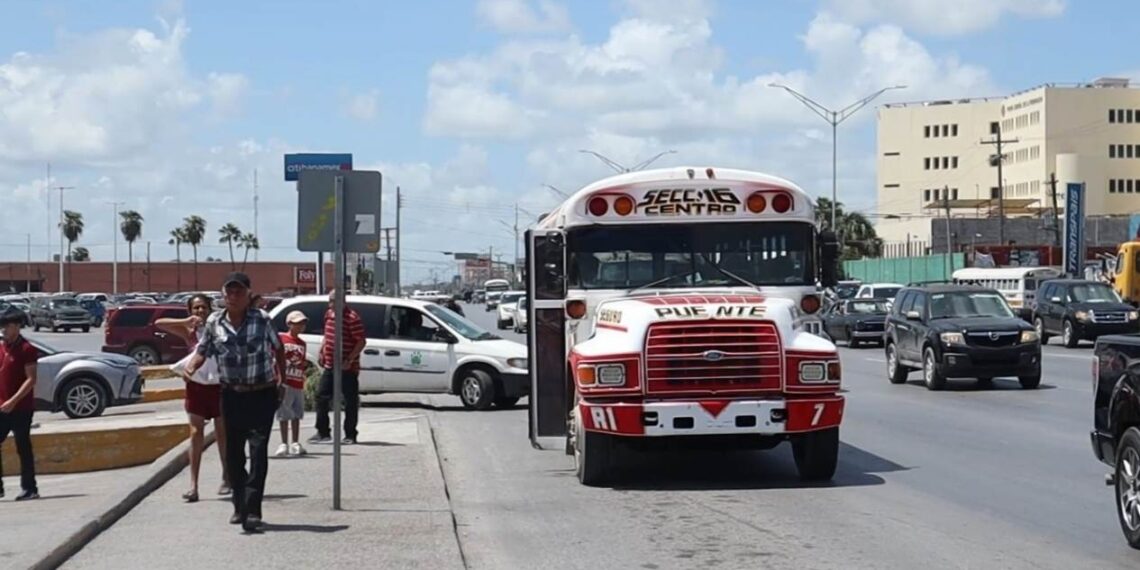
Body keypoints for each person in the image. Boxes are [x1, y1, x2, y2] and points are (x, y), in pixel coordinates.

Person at [184, 272, 285, 532]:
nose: (233, 296)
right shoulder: (214, 322)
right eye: (229, 291)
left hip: (261, 393)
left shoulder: (262, 320)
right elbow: (203, 350)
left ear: (248, 294)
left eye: (239, 291)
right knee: (233, 454)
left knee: (258, 451)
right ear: (223, 294)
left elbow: (278, 349)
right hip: (230, 395)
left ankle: (253, 510)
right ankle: (239, 506)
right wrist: (191, 366)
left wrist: (281, 381)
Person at [157, 294, 230, 502]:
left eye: (203, 308)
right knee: (196, 433)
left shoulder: (218, 328)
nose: (200, 312)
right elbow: (159, 323)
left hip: (218, 386)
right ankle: (193, 485)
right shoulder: (188, 331)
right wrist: (185, 322)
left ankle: (226, 476)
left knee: (222, 432)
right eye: (196, 308)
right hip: (196, 387)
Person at [309, 290, 365, 445]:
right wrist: (322, 350)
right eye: (329, 300)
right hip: (330, 365)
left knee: (349, 400)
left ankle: (350, 434)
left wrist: (349, 359)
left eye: (333, 301)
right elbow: (327, 335)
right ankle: (323, 432)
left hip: (347, 367)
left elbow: (361, 341)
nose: (330, 304)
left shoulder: (352, 318)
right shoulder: (329, 314)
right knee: (322, 396)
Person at [0, 305, 39, 500]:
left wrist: (14, 401)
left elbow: (31, 379)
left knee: (22, 446)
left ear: (16, 326)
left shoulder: (27, 349)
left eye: (6, 326)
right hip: (2, 406)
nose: (4, 330)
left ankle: (30, 488)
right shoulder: (2, 347)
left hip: (21, 408)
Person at [275, 311, 309, 458]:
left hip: (297, 381)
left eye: (302, 323)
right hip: (285, 381)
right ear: (289, 324)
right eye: (297, 323)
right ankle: (284, 442)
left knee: (296, 412)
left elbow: (302, 361)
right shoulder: (281, 338)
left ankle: (295, 442)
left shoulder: (302, 343)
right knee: (284, 412)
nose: (301, 326)